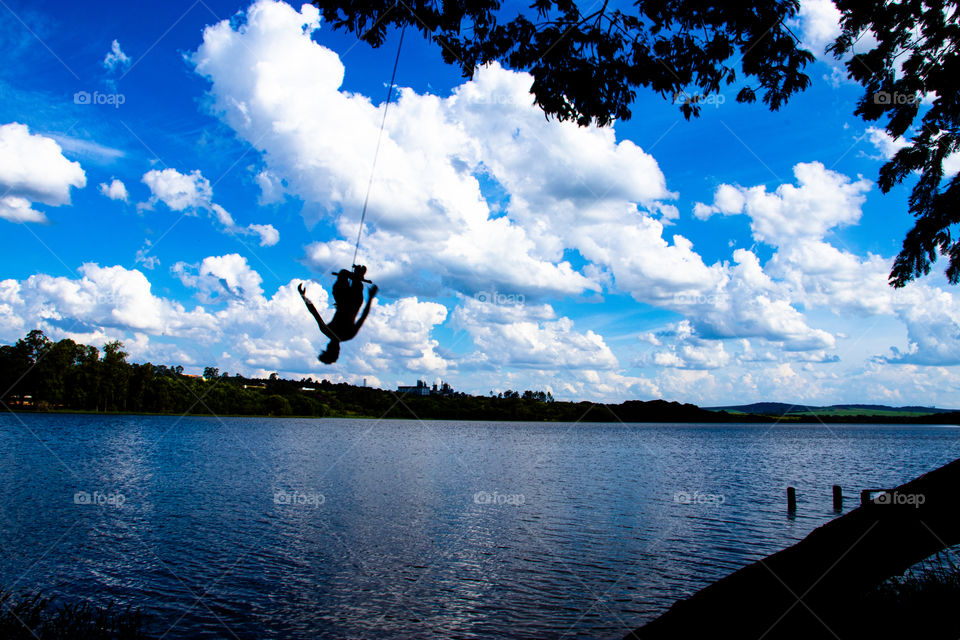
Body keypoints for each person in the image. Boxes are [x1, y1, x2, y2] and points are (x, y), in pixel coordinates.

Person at [299, 265, 378, 364]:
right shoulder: (338, 333)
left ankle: (358, 274)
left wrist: (303, 296)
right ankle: (358, 274)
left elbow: (313, 311)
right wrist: (370, 298)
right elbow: (313, 311)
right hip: (353, 300)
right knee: (345, 274)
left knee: (344, 274)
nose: (333, 347)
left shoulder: (342, 334)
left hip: (345, 300)